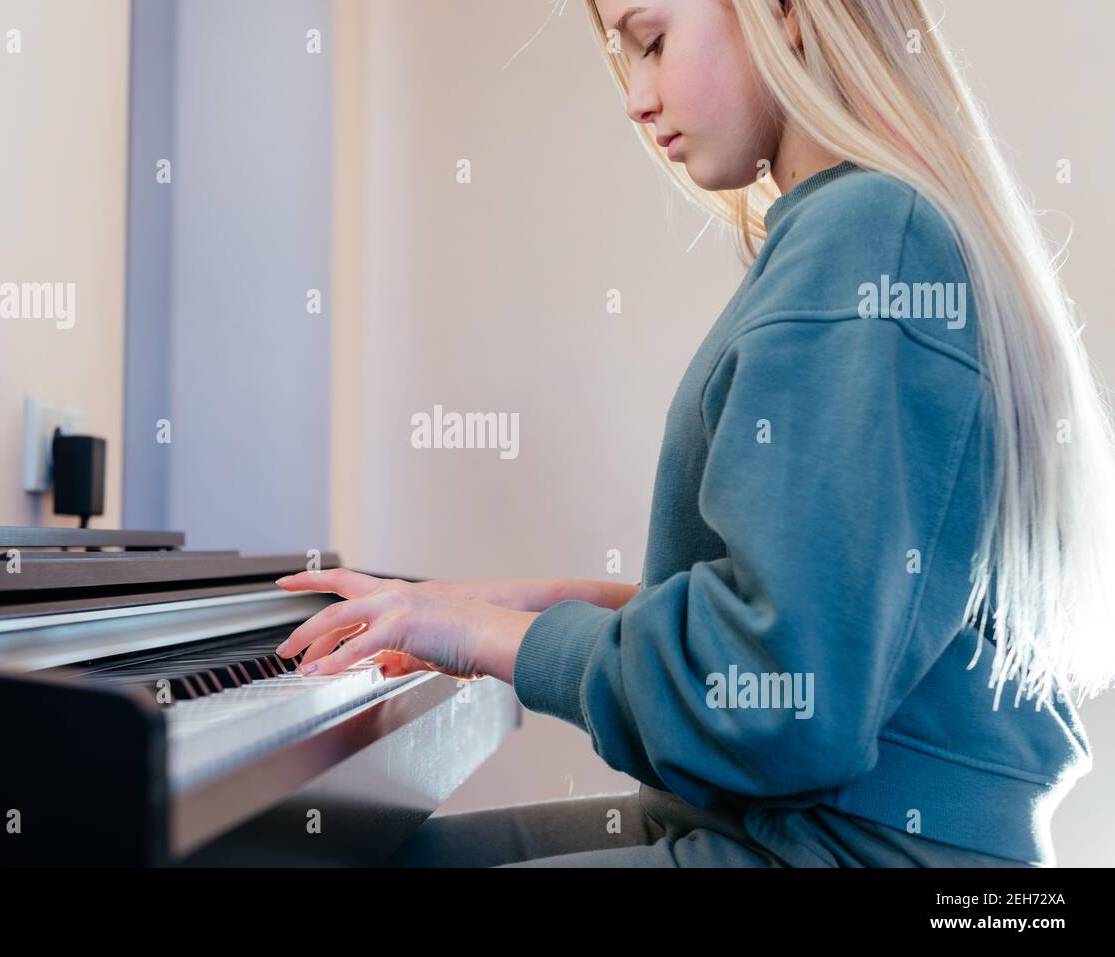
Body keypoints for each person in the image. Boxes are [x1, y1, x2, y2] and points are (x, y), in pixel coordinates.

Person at [274, 0, 1115, 867]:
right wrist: (524, 605)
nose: (636, 100)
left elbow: (784, 698)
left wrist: (493, 641)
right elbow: (795, 616)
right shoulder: (852, 230)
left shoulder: (870, 237)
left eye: (654, 43)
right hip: (781, 824)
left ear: (786, 13)